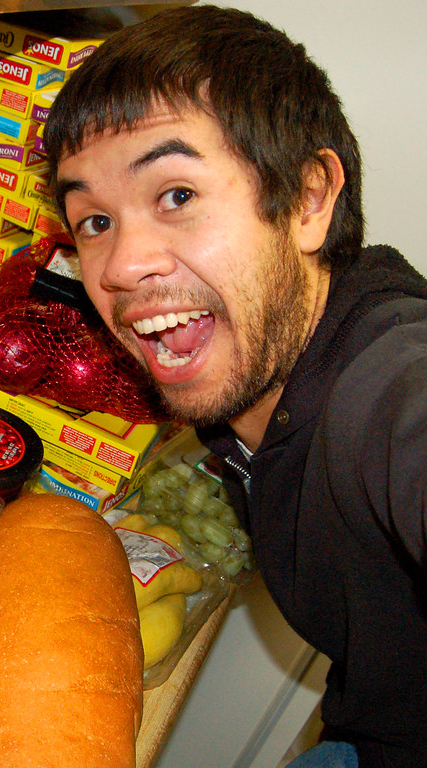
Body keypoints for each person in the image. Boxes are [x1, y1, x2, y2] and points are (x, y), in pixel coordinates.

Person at [43, 6, 427, 768]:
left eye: (176, 195)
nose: (119, 266)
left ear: (309, 198)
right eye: (92, 221)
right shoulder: (253, 377)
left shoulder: (382, 384)